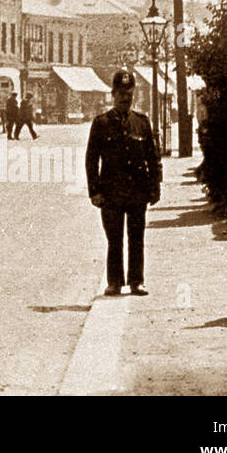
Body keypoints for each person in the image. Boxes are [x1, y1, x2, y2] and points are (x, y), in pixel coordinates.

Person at [86, 69, 161, 296]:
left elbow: (153, 157)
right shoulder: (101, 123)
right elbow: (91, 159)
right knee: (114, 239)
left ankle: (136, 281)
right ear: (113, 94)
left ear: (133, 94)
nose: (124, 98)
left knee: (136, 238)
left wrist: (155, 187)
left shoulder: (142, 122)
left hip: (138, 192)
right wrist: (94, 191)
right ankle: (115, 282)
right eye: (120, 94)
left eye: (128, 94)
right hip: (111, 193)